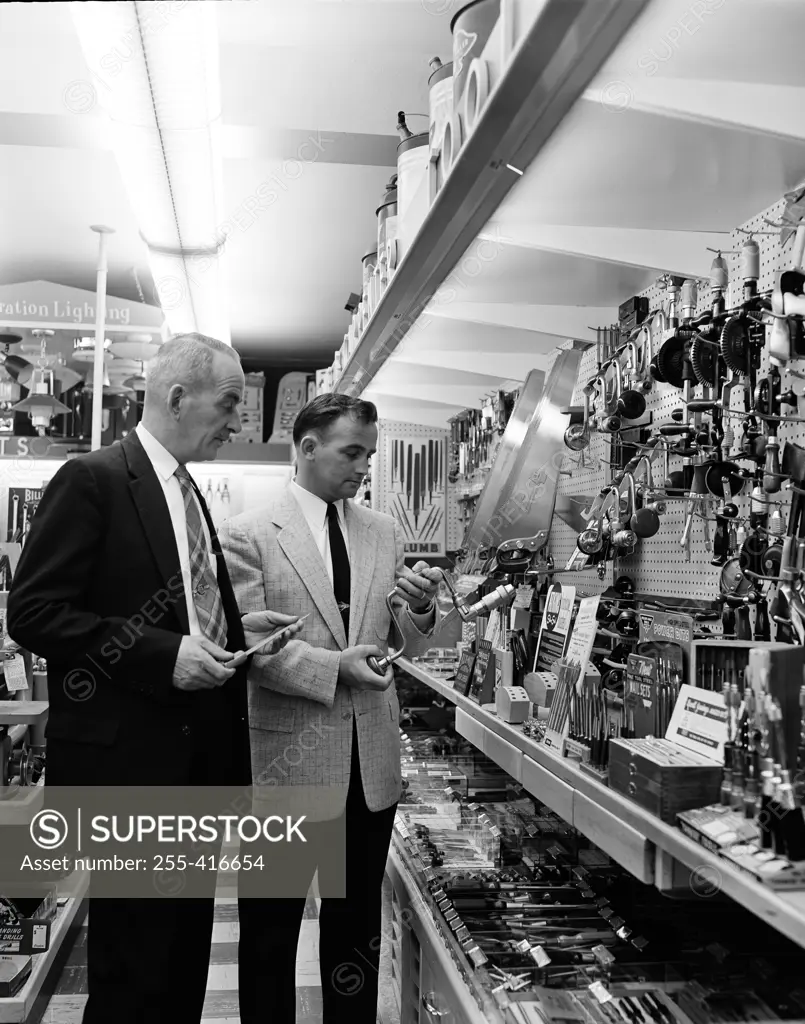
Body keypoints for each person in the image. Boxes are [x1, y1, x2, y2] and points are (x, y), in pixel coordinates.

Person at [7, 333, 301, 1024]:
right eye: (229, 403)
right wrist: (162, 653)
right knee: (133, 967)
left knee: (180, 960)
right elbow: (35, 612)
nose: (238, 421)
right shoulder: (95, 478)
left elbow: (184, 604)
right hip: (132, 769)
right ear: (177, 396)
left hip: (195, 768)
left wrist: (236, 632)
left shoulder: (188, 489)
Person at [219, 393, 442, 1024]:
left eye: (369, 454)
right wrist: (331, 668)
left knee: (354, 935)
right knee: (269, 935)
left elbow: (403, 638)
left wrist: (420, 609)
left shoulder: (382, 531)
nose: (363, 467)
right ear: (308, 447)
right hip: (287, 766)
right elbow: (252, 649)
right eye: (352, 452)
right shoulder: (247, 534)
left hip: (368, 767)